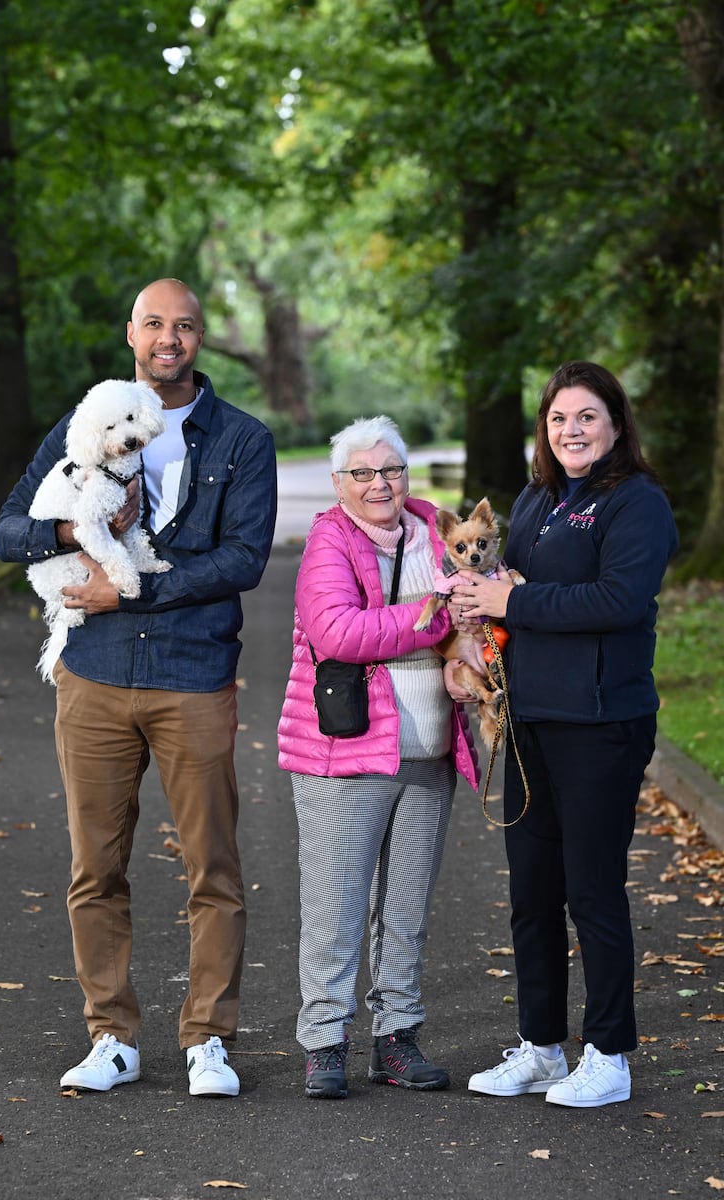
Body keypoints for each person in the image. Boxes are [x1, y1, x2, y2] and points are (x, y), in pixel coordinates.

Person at [0, 278, 277, 1097]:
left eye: (185, 327)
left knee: (212, 865)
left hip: (193, 674)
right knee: (95, 868)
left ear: (200, 339)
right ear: (131, 333)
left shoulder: (242, 441)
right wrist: (70, 531)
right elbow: (9, 528)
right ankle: (111, 1034)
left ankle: (208, 1040)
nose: (169, 339)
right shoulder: (82, 425)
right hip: (95, 676)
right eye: (155, 324)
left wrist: (137, 588)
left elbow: (243, 561)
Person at [448, 361, 678, 1108]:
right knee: (532, 893)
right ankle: (542, 1046)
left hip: (602, 723)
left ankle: (609, 1056)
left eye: (586, 416)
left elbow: (617, 598)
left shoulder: (637, 503)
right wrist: (480, 614)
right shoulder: (540, 497)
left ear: (615, 423)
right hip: (530, 721)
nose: (571, 431)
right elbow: (514, 586)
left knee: (593, 892)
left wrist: (514, 597)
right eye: (558, 419)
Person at [277, 415, 480, 1099]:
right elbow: (336, 632)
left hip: (429, 749)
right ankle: (325, 1041)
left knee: (406, 907)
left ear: (406, 475)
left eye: (389, 469)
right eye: (362, 473)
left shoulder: (440, 533)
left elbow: (484, 595)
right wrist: (438, 614)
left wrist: (468, 629)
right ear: (339, 484)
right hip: (345, 751)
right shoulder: (328, 541)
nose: (378, 484)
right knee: (335, 904)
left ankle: (397, 1038)